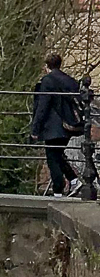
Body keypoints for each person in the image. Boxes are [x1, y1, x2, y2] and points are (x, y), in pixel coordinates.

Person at [31, 53, 85, 196]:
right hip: (69, 125)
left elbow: (43, 106)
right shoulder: (70, 81)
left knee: (52, 157)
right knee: (58, 154)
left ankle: (58, 189)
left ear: (46, 66)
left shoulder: (48, 81)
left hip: (53, 126)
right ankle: (73, 180)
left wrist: (35, 129)